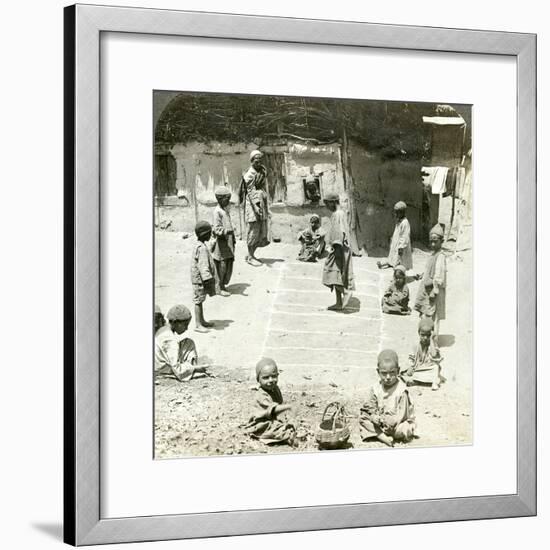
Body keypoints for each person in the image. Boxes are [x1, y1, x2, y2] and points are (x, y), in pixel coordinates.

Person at [359, 349, 416, 447]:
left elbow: (402, 415)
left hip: (396, 425)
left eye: (392, 372)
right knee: (363, 418)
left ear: (398, 371)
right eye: (384, 373)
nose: (388, 377)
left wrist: (390, 422)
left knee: (405, 429)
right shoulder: (376, 388)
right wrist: (374, 416)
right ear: (378, 372)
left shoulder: (402, 390)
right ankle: (382, 436)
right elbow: (370, 406)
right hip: (380, 423)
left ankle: (378, 434)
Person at [245, 358, 296, 446]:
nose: (271, 380)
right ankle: (288, 437)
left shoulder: (275, 389)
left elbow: (279, 403)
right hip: (262, 421)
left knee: (289, 422)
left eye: (274, 376)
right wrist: (288, 407)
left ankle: (287, 432)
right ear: (258, 380)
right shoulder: (261, 395)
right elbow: (273, 409)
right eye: (266, 378)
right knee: (272, 428)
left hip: (272, 417)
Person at [154, 304, 208, 381]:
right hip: (162, 369)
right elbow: (177, 369)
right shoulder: (170, 339)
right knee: (190, 344)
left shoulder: (164, 329)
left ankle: (190, 369)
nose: (186, 328)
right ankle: (192, 370)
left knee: (188, 343)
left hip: (158, 364)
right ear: (175, 322)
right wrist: (196, 368)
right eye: (185, 325)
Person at [322, 192, 355, 311]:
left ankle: (345, 292)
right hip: (340, 246)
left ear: (332, 202)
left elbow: (338, 232)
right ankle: (338, 301)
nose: (326, 207)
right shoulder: (340, 213)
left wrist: (336, 247)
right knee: (337, 274)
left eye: (327, 203)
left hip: (338, 247)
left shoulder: (337, 214)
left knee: (331, 272)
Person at [414, 224, 447, 345]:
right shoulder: (432, 254)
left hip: (433, 292)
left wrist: (435, 290)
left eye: (435, 242)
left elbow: (439, 275)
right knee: (426, 314)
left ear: (441, 241)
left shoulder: (441, 257)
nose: (433, 244)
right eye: (431, 242)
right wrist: (422, 275)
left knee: (434, 316)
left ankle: (433, 342)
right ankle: (425, 337)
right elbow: (429, 269)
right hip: (427, 290)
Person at [239, 150, 270, 266]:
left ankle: (251, 254)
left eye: (260, 161)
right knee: (253, 230)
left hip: (261, 203)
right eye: (256, 161)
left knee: (261, 230)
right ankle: (250, 256)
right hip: (252, 205)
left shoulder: (261, 171)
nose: (258, 163)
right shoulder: (249, 174)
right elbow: (251, 192)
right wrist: (256, 207)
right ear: (251, 161)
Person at [191, 220, 219, 333]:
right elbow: (203, 266)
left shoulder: (200, 245)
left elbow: (208, 250)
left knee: (201, 299)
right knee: (198, 300)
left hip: (198, 279)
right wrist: (207, 279)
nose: (210, 234)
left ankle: (202, 321)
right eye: (209, 233)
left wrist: (214, 241)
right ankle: (198, 324)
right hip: (199, 280)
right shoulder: (201, 248)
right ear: (204, 234)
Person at [402, 318, 444, 391]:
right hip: (419, 368)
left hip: (429, 368)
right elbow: (411, 358)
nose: (425, 338)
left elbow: (434, 355)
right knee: (407, 372)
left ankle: (429, 382)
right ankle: (417, 380)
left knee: (436, 367)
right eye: (423, 335)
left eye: (428, 335)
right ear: (419, 333)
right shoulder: (416, 345)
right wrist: (410, 367)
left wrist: (431, 340)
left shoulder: (433, 344)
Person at [212, 186, 235, 296]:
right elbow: (217, 229)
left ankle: (222, 284)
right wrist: (226, 231)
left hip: (228, 242)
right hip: (221, 243)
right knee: (222, 265)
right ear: (220, 199)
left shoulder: (224, 209)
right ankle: (219, 287)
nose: (228, 201)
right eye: (227, 198)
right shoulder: (217, 212)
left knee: (228, 263)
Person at [377, 201, 413, 271]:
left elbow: (405, 236)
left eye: (397, 212)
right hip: (396, 244)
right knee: (394, 258)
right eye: (395, 212)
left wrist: (401, 247)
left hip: (401, 247)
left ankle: (399, 275)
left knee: (400, 262)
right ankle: (389, 266)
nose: (395, 214)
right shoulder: (399, 221)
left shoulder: (405, 223)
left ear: (402, 212)